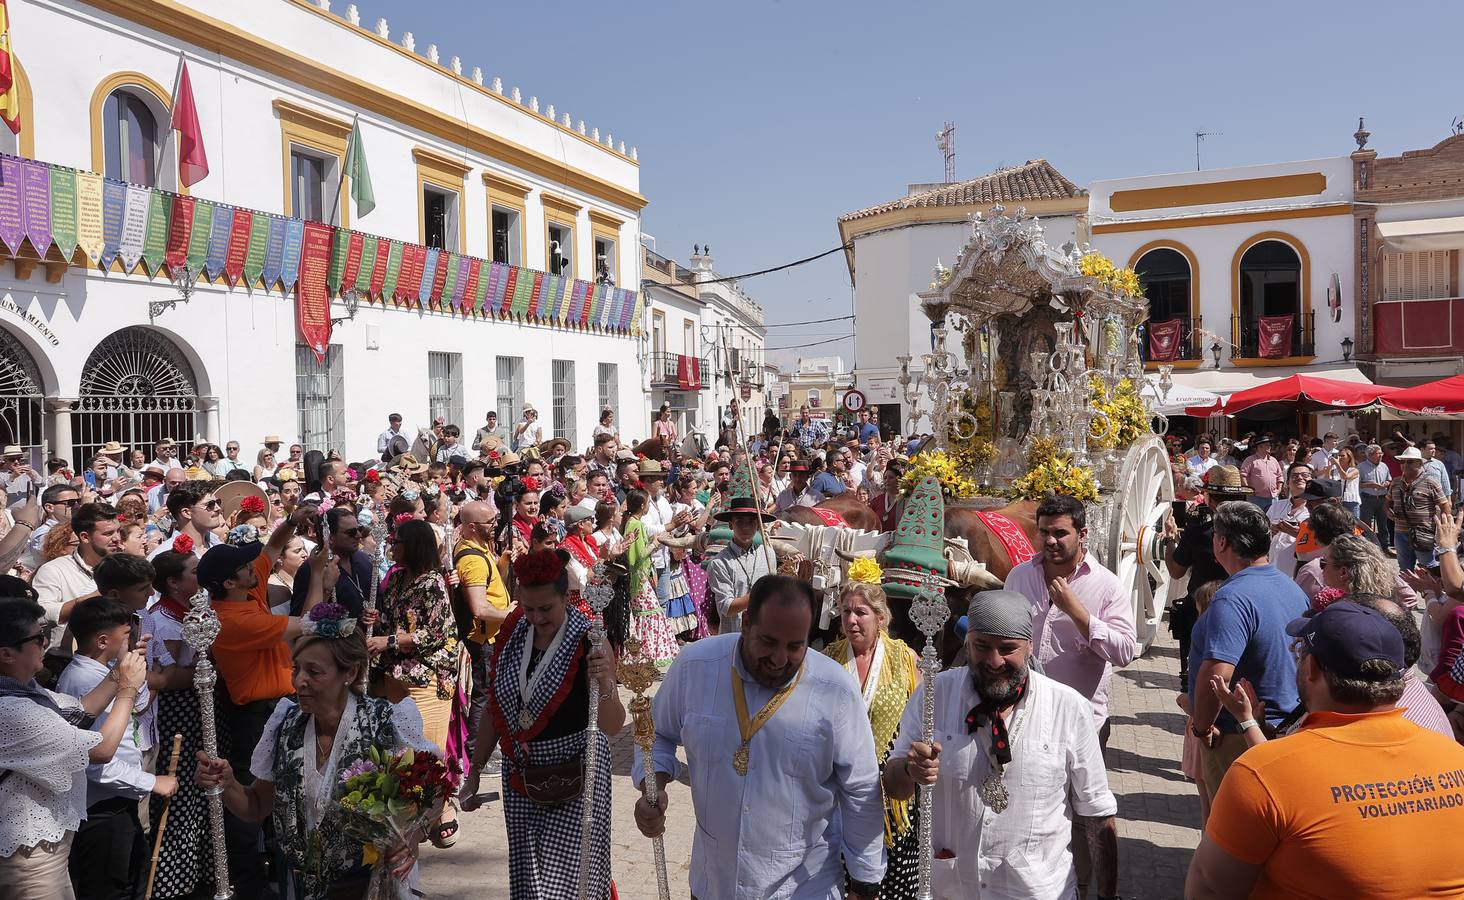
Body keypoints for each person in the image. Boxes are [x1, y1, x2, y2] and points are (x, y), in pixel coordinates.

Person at [632, 574, 886, 900]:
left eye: (795, 646)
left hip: (804, 888)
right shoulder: (696, 666)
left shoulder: (835, 689)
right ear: (747, 622)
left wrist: (865, 885)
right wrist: (653, 785)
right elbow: (656, 734)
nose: (780, 659)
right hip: (714, 885)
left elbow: (861, 789)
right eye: (768, 642)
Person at [1186, 603, 1464, 899]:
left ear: (1312, 668)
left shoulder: (1263, 773)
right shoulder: (1453, 756)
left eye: (1299, 651)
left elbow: (1210, 889)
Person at [885, 589, 1118, 900]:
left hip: (1037, 892)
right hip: (952, 890)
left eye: (1008, 649)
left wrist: (1106, 895)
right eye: (982, 646)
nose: (994, 661)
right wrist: (909, 769)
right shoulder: (933, 696)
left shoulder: (1068, 708)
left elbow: (1098, 814)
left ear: (1030, 646)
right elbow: (894, 786)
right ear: (968, 643)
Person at [195, 608, 433, 899]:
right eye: (296, 669)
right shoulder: (286, 724)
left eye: (314, 672)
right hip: (302, 887)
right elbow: (256, 806)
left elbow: (432, 791)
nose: (298, 681)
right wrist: (227, 784)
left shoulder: (384, 722)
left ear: (351, 672)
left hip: (371, 885)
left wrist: (411, 836)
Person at [460, 550, 625, 900]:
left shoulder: (589, 640)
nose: (535, 617)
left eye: (545, 609)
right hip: (521, 777)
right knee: (529, 883)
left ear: (566, 597)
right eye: (527, 607)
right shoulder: (514, 633)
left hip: (577, 775)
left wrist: (606, 682)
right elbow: (496, 708)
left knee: (568, 885)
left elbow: (613, 724)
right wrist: (474, 769)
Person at [0, 596, 149, 899]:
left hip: (45, 851)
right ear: (6, 654)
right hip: (28, 856)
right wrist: (128, 690)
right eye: (37, 638)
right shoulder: (10, 710)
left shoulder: (26, 691)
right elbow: (101, 749)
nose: (46, 642)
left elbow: (80, 711)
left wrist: (121, 669)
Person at [201, 509, 313, 898]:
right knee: (250, 797)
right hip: (255, 715)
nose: (255, 567)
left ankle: (279, 872)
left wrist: (295, 520)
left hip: (281, 705)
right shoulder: (230, 620)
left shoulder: (246, 587)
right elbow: (309, 624)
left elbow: (275, 545)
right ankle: (249, 883)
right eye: (245, 567)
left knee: (283, 790)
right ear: (230, 581)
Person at [1186, 501, 1308, 800]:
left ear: (1222, 542)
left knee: (1228, 833)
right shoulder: (1291, 587)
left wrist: (1202, 728)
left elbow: (1217, 675)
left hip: (1236, 735)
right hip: (1284, 727)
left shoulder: (1231, 599)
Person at [56, 598, 176, 900]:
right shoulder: (82, 680)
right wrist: (152, 782)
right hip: (100, 809)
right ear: (102, 641)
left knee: (130, 877)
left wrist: (135, 664)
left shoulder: (105, 670)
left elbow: (135, 703)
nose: (132, 639)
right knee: (109, 887)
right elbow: (94, 759)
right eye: (127, 635)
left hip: (118, 804)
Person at [1006, 493, 1135, 742]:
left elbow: (1125, 652)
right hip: (1024, 718)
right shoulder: (1019, 577)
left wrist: (1078, 614)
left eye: (1060, 533)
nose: (1051, 540)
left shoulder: (1107, 586)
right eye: (1044, 532)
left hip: (1081, 725)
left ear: (1082, 534)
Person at [822, 576, 920, 898]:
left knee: (890, 882)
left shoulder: (904, 659)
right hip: (838, 786)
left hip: (890, 785)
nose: (851, 620)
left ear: (880, 617)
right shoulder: (828, 659)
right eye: (845, 611)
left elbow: (919, 717)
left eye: (860, 612)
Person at [368, 520, 459, 807]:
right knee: (400, 750)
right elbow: (389, 620)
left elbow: (434, 634)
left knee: (426, 752)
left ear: (413, 546)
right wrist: (373, 621)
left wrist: (389, 641)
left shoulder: (433, 583)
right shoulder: (395, 579)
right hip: (396, 676)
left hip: (427, 679)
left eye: (397, 543)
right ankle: (407, 811)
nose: (392, 548)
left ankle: (436, 811)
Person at [452, 501, 512, 762]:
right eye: (490, 522)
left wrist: (505, 562)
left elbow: (494, 581)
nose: (495, 525)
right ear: (473, 527)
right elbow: (479, 607)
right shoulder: (472, 560)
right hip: (484, 639)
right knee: (484, 695)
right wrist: (509, 614)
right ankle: (478, 753)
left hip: (492, 636)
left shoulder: (481, 547)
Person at [33, 502, 122, 677]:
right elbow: (40, 614)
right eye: (108, 533)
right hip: (67, 665)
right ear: (85, 537)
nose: (117, 538)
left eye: (118, 531)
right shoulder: (54, 570)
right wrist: (95, 596)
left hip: (116, 663)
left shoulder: (123, 565)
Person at [622, 489, 681, 670]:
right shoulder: (636, 525)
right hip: (639, 578)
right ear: (642, 505)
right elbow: (638, 556)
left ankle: (644, 655)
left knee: (646, 615)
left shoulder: (630, 522)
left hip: (639, 577)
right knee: (651, 614)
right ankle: (648, 656)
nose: (648, 506)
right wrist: (656, 542)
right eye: (647, 503)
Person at [704, 497, 777, 635]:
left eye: (751, 522)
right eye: (739, 522)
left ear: (758, 525)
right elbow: (727, 607)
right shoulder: (719, 563)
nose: (745, 527)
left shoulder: (768, 554)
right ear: (731, 525)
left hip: (764, 633)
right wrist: (759, 594)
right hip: (734, 635)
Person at [1387, 446, 1451, 571]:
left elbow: (1445, 505)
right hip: (1400, 532)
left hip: (1423, 532)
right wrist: (1388, 512)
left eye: (1409, 461)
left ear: (1420, 463)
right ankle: (1408, 590)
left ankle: (1431, 590)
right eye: (1402, 461)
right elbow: (1387, 502)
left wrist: (1443, 527)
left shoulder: (1430, 482)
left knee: (1428, 567)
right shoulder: (1395, 482)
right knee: (1405, 569)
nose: (1405, 465)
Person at [151, 483, 225, 559]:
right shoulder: (165, 556)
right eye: (210, 505)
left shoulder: (217, 544)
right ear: (186, 513)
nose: (218, 508)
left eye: (218, 502)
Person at [18, 483, 80, 573]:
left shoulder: (76, 526)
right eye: (71, 503)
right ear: (50, 507)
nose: (77, 506)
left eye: (79, 501)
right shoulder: (42, 532)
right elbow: (58, 552)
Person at [1358, 443, 1392, 550]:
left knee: (1383, 525)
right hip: (1367, 499)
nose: (1381, 455)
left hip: (1382, 499)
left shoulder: (1384, 466)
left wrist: (1386, 483)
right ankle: (1368, 548)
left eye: (1381, 453)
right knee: (1366, 525)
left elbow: (1389, 479)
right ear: (1370, 455)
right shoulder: (1361, 467)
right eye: (1378, 454)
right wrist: (1370, 485)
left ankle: (1384, 547)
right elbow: (1357, 484)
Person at [1239, 435, 1283, 510]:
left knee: (1273, 520)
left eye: (1269, 445)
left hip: (1273, 497)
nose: (1270, 447)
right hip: (1256, 498)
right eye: (1267, 445)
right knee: (1256, 519)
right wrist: (1249, 491)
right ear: (1260, 447)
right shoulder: (1250, 460)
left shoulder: (1273, 460)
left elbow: (1280, 476)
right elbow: (1243, 475)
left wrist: (1279, 490)